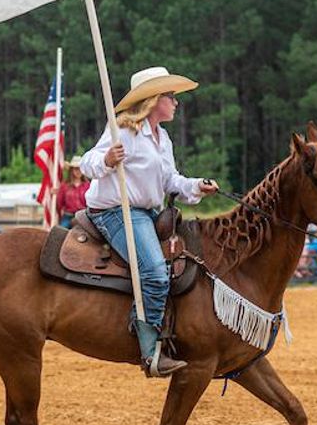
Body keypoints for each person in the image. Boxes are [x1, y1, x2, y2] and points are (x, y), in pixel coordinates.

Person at [79, 66, 219, 377]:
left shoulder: (163, 137)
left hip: (148, 213)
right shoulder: (124, 131)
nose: (176, 102)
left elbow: (171, 180)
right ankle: (150, 350)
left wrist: (196, 185)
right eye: (170, 96)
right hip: (118, 212)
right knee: (155, 272)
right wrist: (106, 160)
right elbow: (87, 164)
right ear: (154, 100)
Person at [56, 156, 91, 229]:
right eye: (76, 169)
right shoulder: (64, 186)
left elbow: (91, 202)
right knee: (60, 232)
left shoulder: (87, 185)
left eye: (80, 169)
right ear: (71, 170)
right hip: (68, 216)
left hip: (84, 216)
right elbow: (59, 203)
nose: (78, 171)